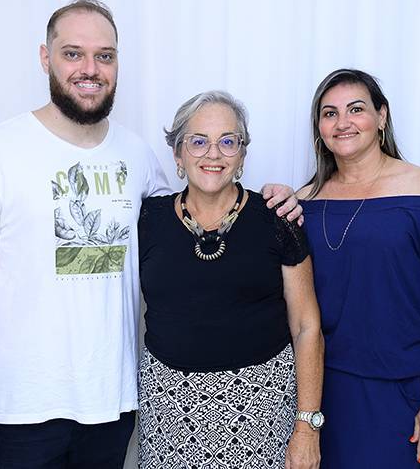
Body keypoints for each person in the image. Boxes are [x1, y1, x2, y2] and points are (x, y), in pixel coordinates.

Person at [0, 0, 300, 469]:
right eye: (73, 53)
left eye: (104, 56)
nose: (90, 69)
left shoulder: (137, 155)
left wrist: (279, 199)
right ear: (45, 58)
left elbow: (197, 220)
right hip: (20, 409)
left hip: (114, 405)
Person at [296, 69, 420, 468]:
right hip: (313, 393)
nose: (342, 122)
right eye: (329, 113)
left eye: (356, 109)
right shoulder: (304, 202)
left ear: (381, 116)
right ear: (319, 128)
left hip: (396, 392)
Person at [137, 91, 324, 469]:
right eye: (198, 141)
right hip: (168, 414)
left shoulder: (277, 218)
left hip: (260, 412)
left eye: (227, 141)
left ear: (242, 155)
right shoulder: (147, 218)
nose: (213, 154)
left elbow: (307, 327)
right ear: (177, 154)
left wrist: (308, 428)